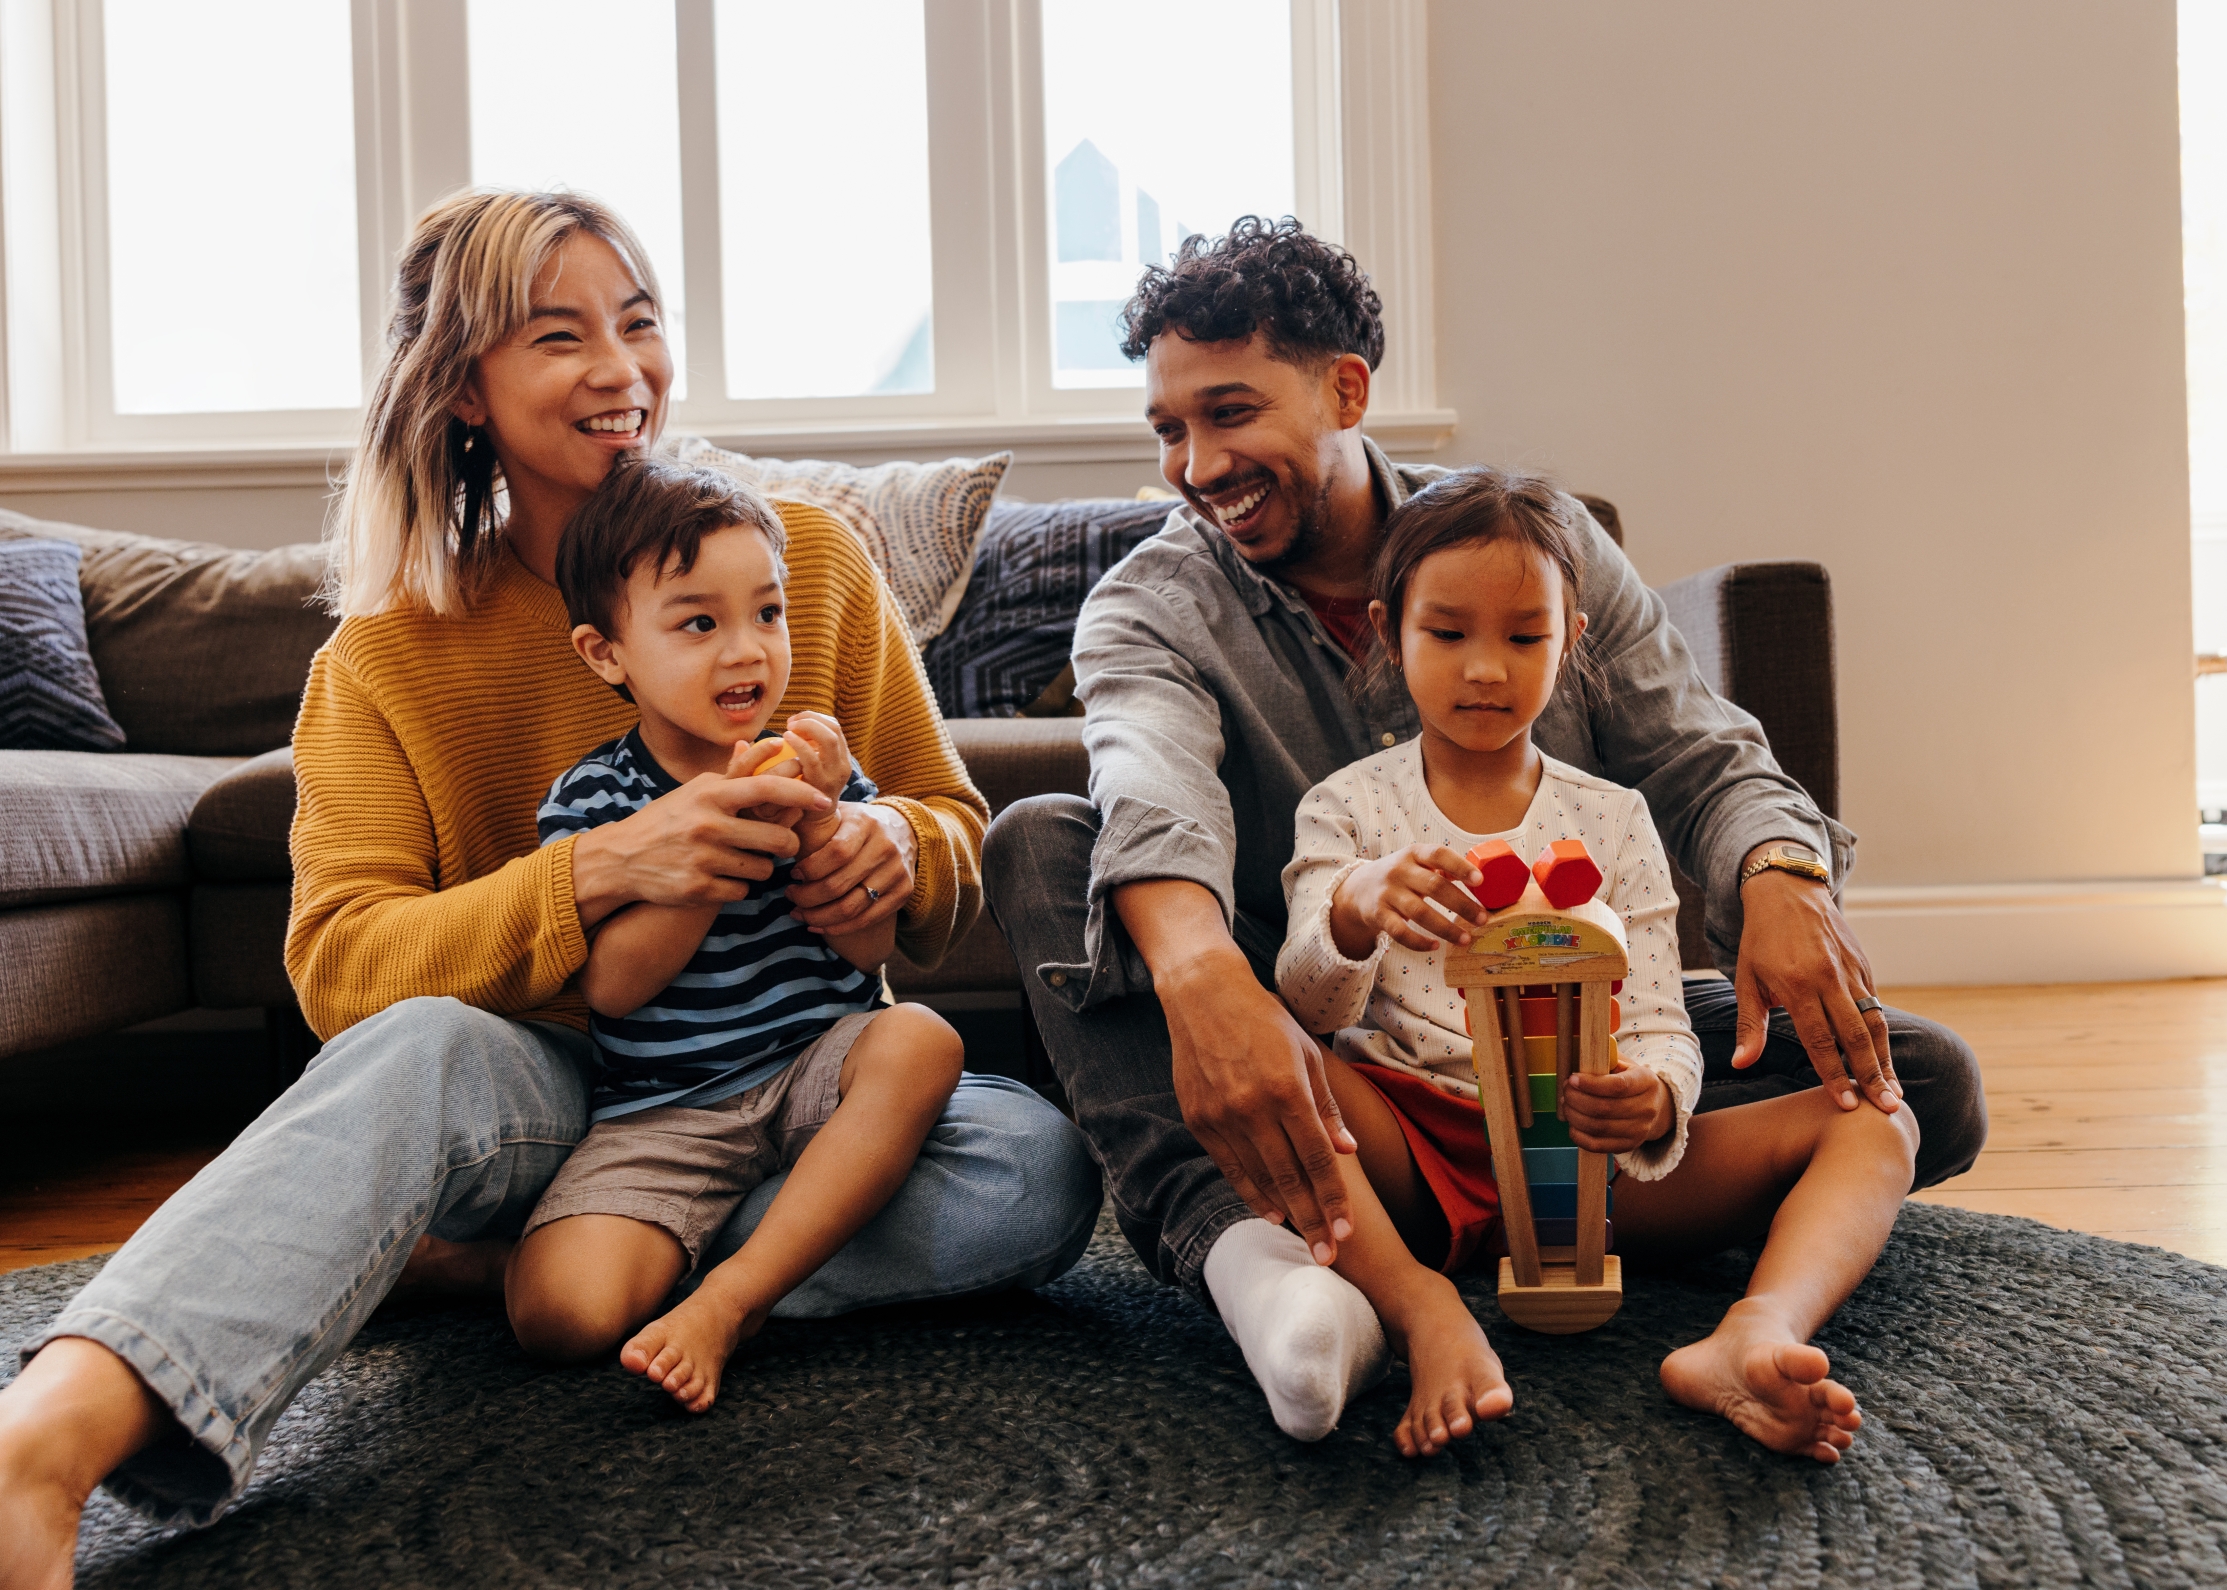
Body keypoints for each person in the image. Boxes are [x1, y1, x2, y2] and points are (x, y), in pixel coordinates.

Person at [0, 189, 1099, 1586]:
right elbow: (341, 967)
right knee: (420, 1051)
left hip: (802, 1070)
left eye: (638, 324)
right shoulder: (383, 659)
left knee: (1038, 1173)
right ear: (465, 386)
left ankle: (531, 1267)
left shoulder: (805, 559)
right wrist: (593, 875)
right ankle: (47, 1440)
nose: (620, 370)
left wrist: (901, 855)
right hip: (562, 1085)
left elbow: (945, 815)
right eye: (558, 336)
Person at [982, 216, 1986, 1444]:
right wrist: (1205, 983)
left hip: (1559, 1021)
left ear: (1345, 389)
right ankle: (1268, 1271)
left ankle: (1455, 1218)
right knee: (1043, 840)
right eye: (1170, 429)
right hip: (1331, 1039)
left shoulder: (1540, 547)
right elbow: (1151, 797)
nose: (1195, 463)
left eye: (1229, 413)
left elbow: (1698, 752)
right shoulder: (1149, 603)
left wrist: (1781, 877)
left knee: (1919, 1078)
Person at [1276, 466, 1916, 1461]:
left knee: (1877, 1124)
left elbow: (1658, 1010)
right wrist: (1355, 909)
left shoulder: (1612, 818)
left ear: (1571, 640)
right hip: (1414, 1145)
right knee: (1267, 1065)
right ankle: (1420, 1306)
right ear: (1384, 630)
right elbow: (1309, 1001)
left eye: (1522, 636)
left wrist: (1656, 1097)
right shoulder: (1346, 809)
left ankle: (1756, 1329)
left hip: (1589, 1155)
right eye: (1447, 634)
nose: (1485, 668)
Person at [503, 457, 971, 1414]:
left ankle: (731, 1296)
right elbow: (616, 990)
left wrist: (826, 826)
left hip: (817, 1072)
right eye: (699, 624)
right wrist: (706, 846)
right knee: (559, 1316)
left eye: (768, 613)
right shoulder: (597, 800)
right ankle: (772, 1237)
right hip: (669, 1105)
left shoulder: (821, 769)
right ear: (608, 653)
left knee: (924, 1040)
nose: (748, 650)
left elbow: (866, 958)